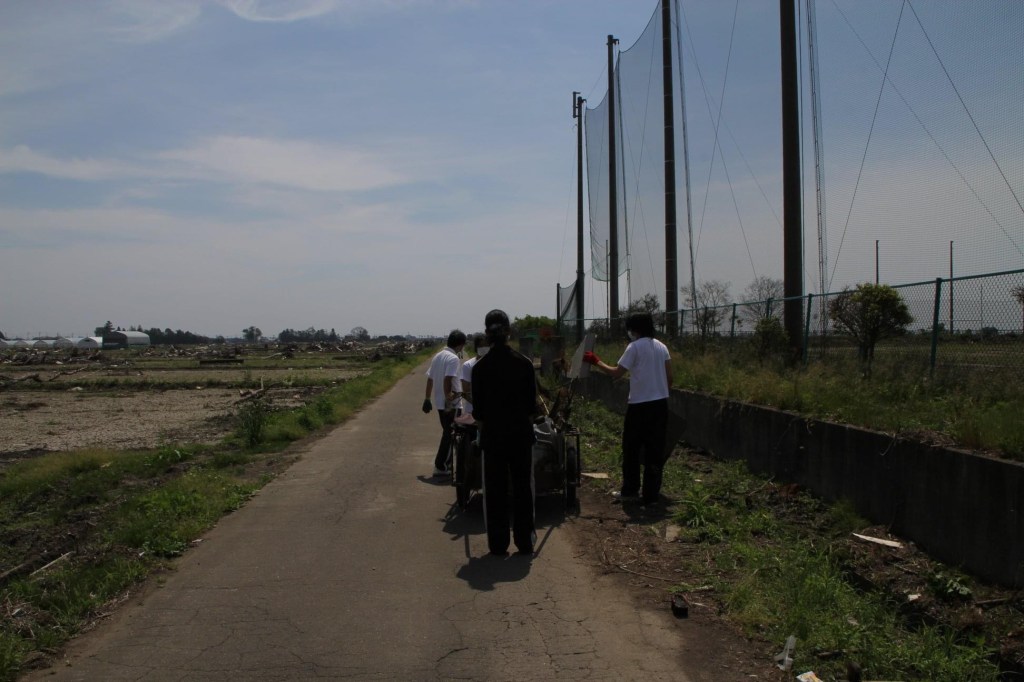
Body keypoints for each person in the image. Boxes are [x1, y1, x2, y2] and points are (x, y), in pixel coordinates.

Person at [583, 312, 673, 507]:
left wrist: (596, 361)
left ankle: (631, 490)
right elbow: (669, 378)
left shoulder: (634, 347)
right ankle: (651, 496)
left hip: (639, 406)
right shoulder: (662, 347)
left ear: (634, 329)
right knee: (655, 451)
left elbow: (617, 373)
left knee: (631, 449)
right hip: (660, 406)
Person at [471, 309, 538, 556]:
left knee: (495, 490)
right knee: (523, 489)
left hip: (493, 438)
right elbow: (531, 409)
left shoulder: (479, 368)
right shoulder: (524, 364)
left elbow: (478, 414)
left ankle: (498, 544)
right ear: (509, 331)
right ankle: (525, 541)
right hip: (520, 436)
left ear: (486, 333)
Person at [423, 329, 466, 477]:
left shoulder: (438, 356)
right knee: (450, 434)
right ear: (460, 345)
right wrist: (449, 398)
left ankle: (445, 465)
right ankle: (441, 466)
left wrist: (427, 398)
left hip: (440, 403)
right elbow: (448, 378)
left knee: (448, 433)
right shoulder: (453, 359)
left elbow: (430, 379)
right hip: (451, 404)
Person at [458, 333, 488, 418]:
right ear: (476, 348)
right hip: (472, 411)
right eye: (481, 346)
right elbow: (465, 393)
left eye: (486, 346)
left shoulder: (494, 365)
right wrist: (479, 406)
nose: (484, 348)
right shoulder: (468, 365)